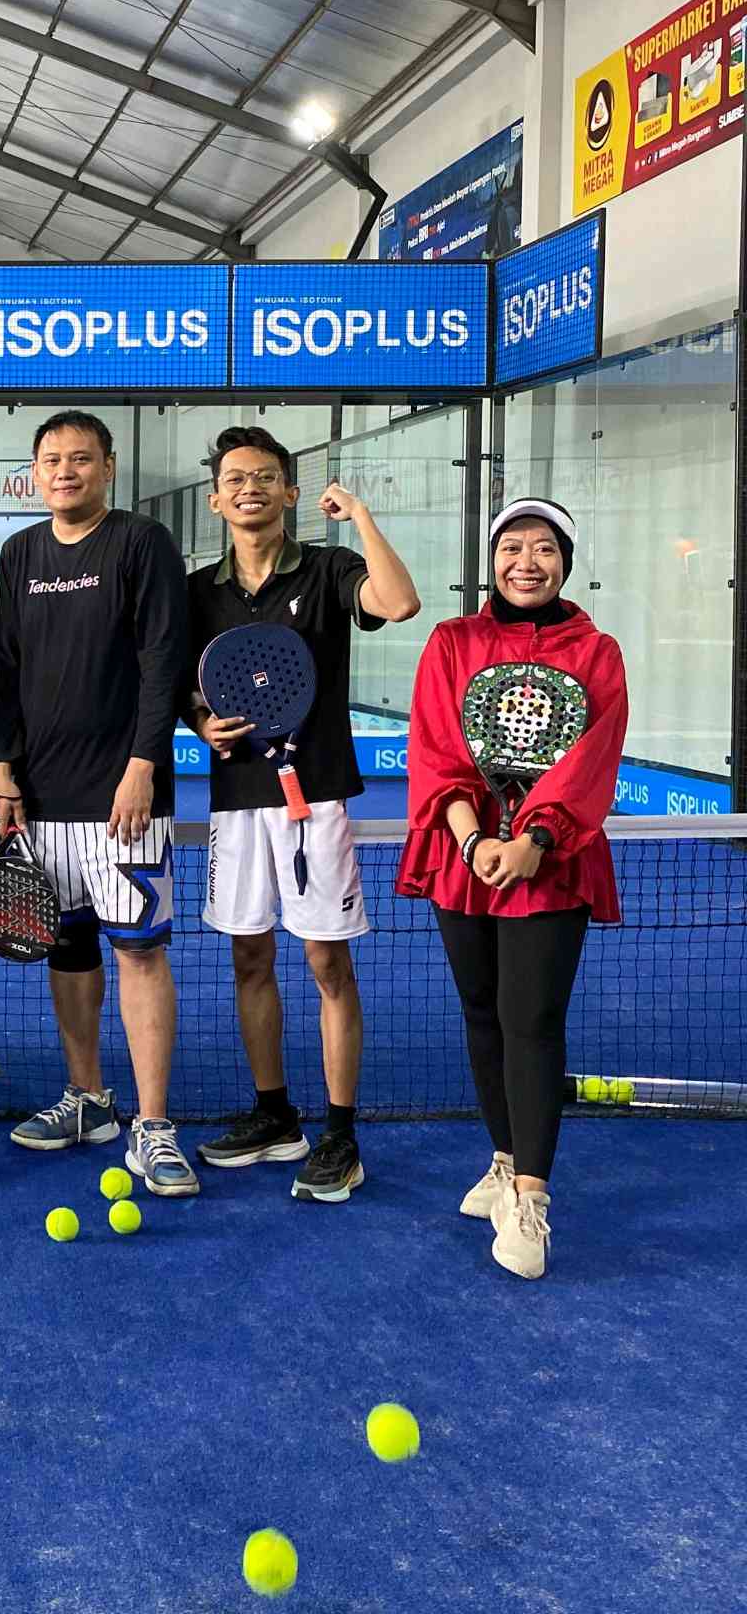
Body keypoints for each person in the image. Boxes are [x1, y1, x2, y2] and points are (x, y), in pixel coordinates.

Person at [183, 426, 421, 1204]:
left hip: (314, 795)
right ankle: (275, 1114)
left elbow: (399, 602)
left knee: (325, 963)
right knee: (249, 959)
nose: (249, 488)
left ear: (289, 492)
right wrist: (200, 721)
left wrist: (361, 518)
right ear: (216, 500)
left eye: (265, 476)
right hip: (237, 799)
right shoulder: (198, 590)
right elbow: (184, 685)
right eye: (235, 478)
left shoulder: (327, 568)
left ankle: (340, 1133)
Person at [400, 499, 626, 1280]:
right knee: (481, 1012)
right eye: (512, 547)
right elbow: (436, 747)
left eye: (544, 549)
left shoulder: (596, 652)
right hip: (462, 856)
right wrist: (474, 841)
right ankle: (503, 1158)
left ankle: (531, 1198)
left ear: (566, 561)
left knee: (531, 1020)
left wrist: (534, 841)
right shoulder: (452, 642)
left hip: (551, 864)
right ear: (492, 559)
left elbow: (591, 760)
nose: (526, 563)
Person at [0, 410, 197, 1196]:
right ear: (34, 473)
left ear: (108, 467)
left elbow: (164, 660)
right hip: (43, 799)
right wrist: (5, 767)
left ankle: (154, 1126)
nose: (66, 471)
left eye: (81, 458)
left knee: (139, 952)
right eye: (52, 460)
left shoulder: (142, 543)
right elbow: (8, 669)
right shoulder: (19, 553)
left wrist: (143, 764)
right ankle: (89, 1099)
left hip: (124, 800)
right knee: (69, 948)